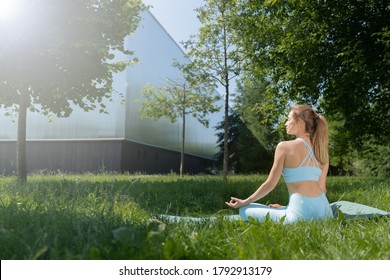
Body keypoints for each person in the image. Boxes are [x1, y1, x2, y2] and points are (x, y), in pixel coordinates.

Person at [225, 104, 333, 224]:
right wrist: (286, 208)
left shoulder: (284, 147)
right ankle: (287, 209)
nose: (286, 123)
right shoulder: (321, 152)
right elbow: (322, 189)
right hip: (325, 212)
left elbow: (270, 184)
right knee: (276, 208)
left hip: (299, 217)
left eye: (289, 119)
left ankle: (287, 210)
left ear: (300, 122)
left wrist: (245, 201)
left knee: (245, 210)